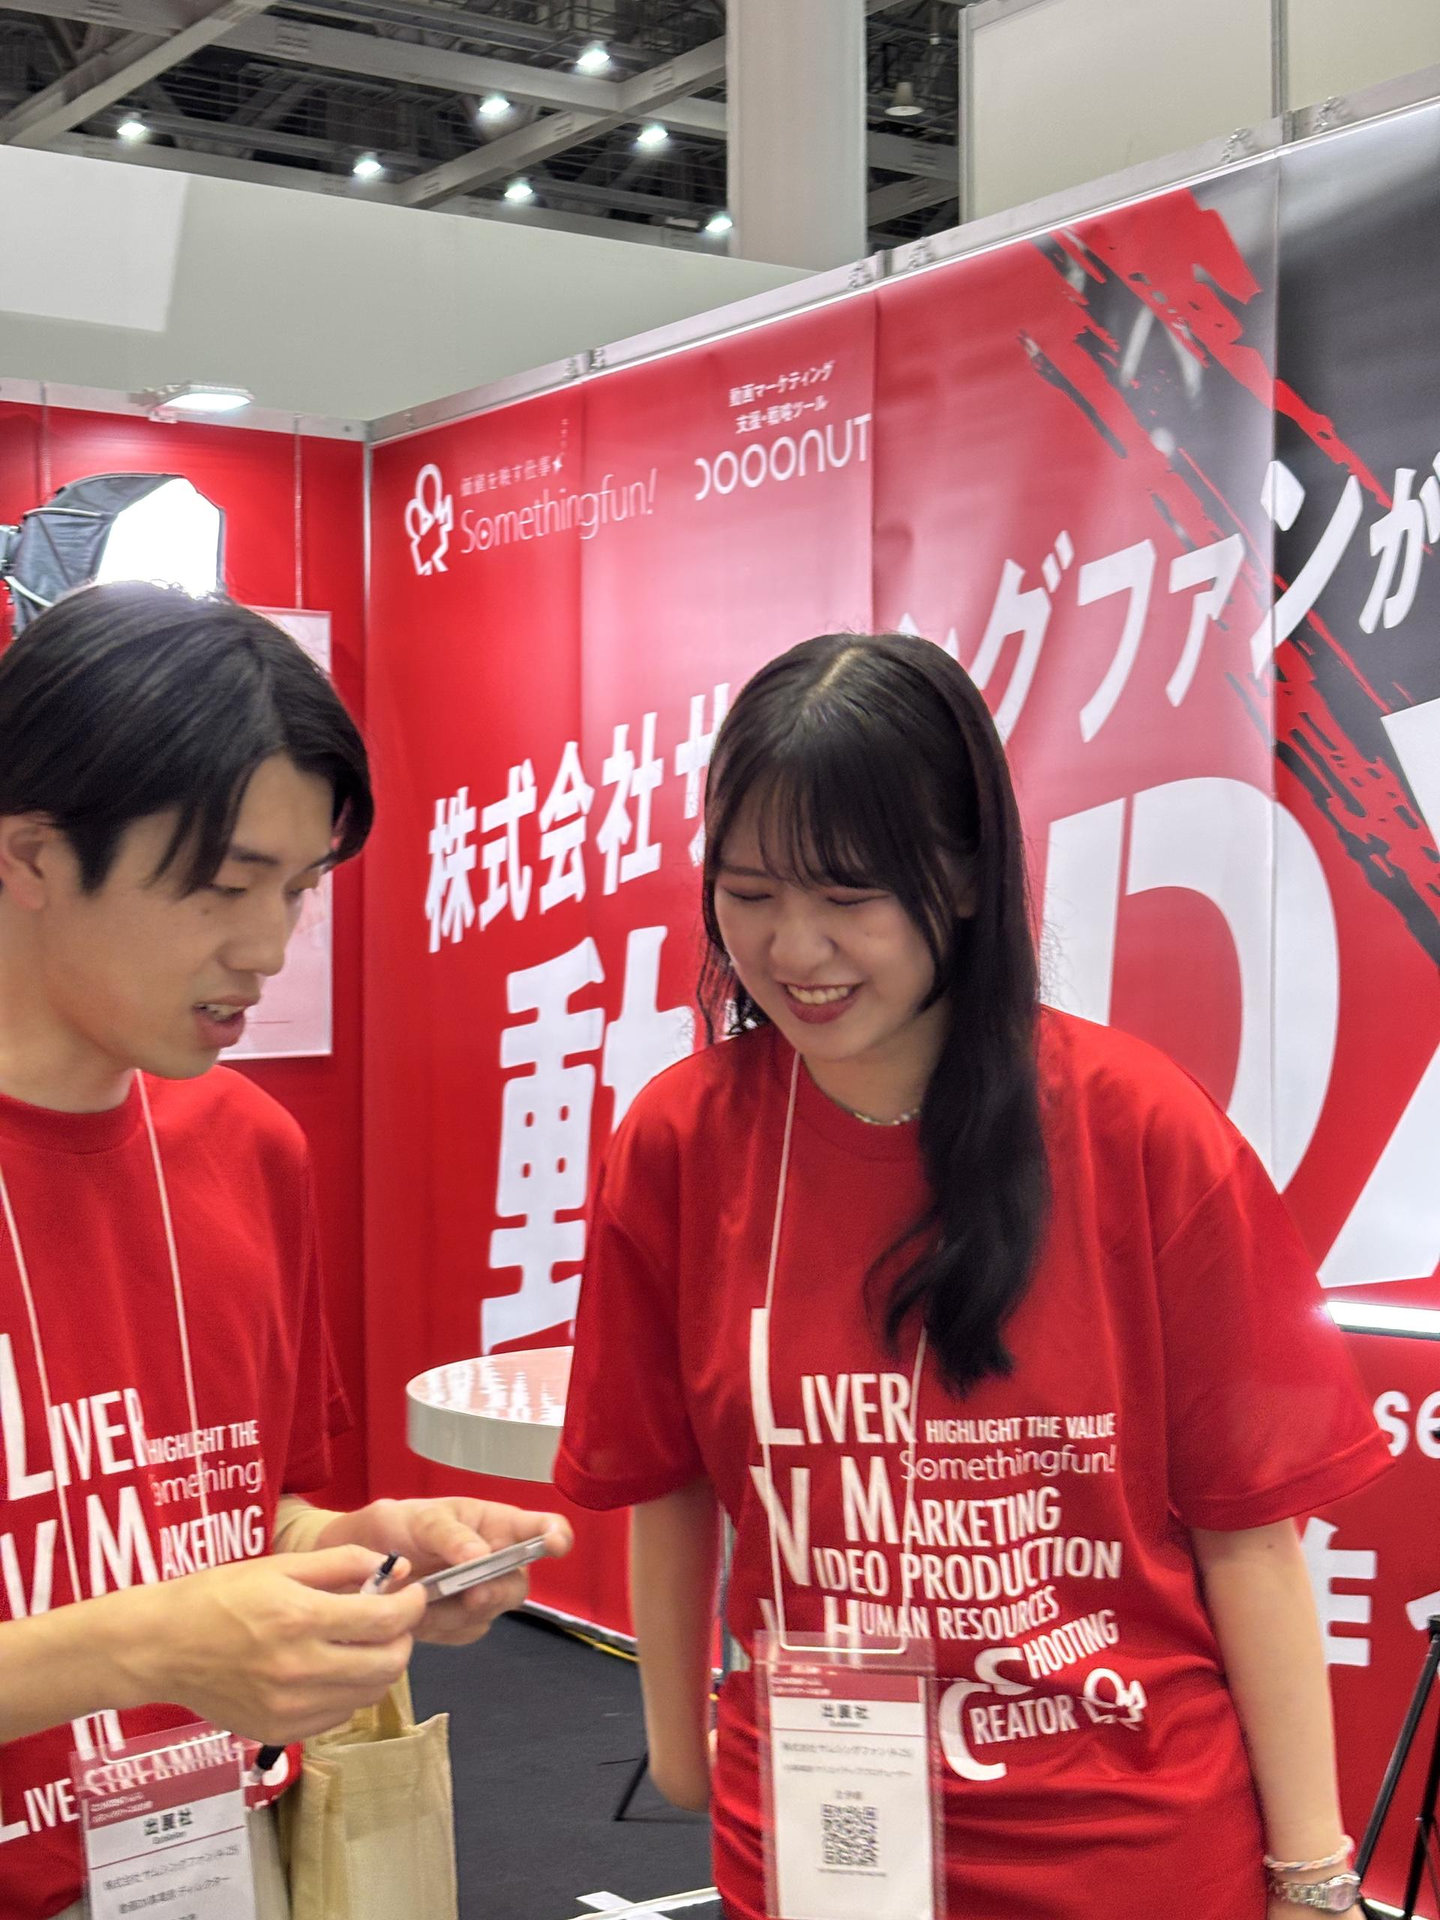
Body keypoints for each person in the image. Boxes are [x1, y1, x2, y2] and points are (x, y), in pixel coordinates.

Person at [556, 631, 1389, 1920]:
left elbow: (1251, 1537)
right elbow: (668, 1480)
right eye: (750, 891)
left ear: (958, 879)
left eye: (849, 896)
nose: (795, 948)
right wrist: (679, 1746)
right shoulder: (683, 1139)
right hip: (823, 1833)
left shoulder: (1134, 1127)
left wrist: (1313, 1874)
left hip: (1123, 1841)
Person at [0, 582, 571, 1920]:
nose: (266, 948)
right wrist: (150, 1643)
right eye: (222, 886)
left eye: (300, 890)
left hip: (219, 1861)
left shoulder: (248, 1150)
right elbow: (163, 1608)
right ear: (31, 857)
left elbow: (234, 1513)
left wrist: (363, 1551)